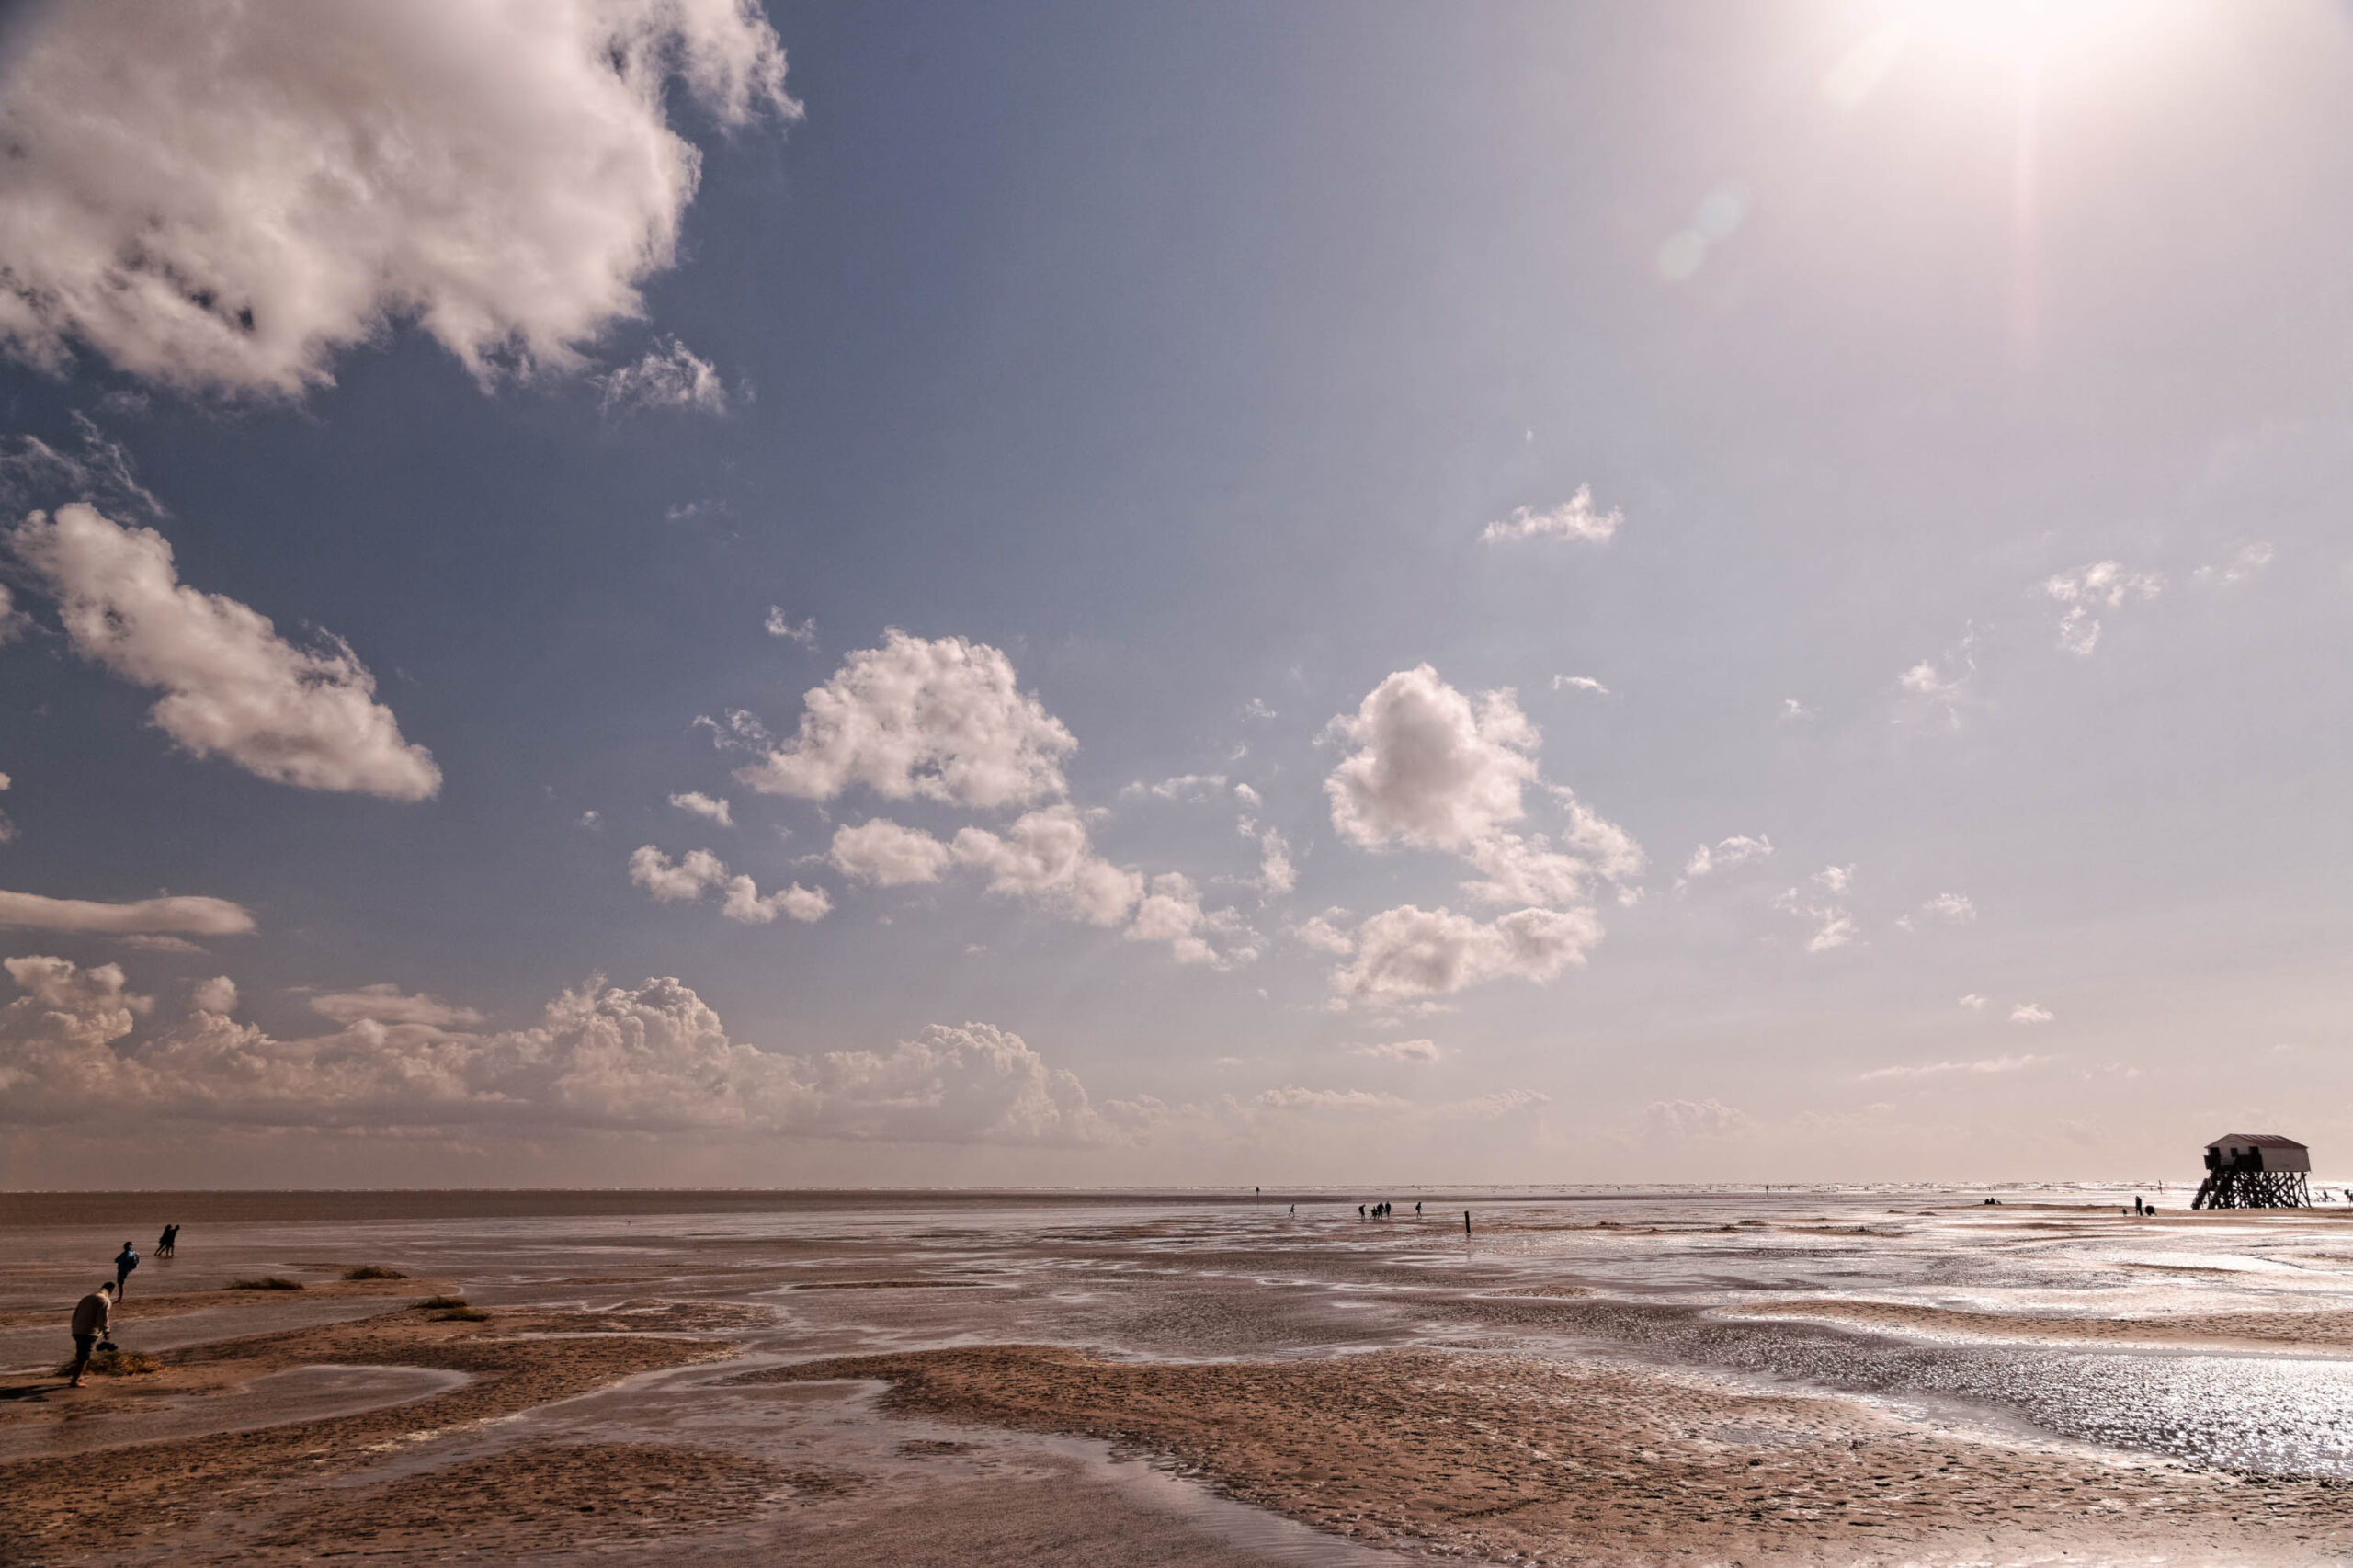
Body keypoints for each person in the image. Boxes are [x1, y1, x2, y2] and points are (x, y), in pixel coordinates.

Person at [68, 1282, 115, 1387]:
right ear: (111, 1290)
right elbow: (103, 1318)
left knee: (81, 1354)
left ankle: (79, 1375)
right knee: (84, 1356)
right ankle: (75, 1380)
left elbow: (76, 1313)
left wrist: (74, 1327)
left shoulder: (87, 1297)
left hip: (77, 1330)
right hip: (88, 1332)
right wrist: (106, 1331)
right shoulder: (104, 1300)